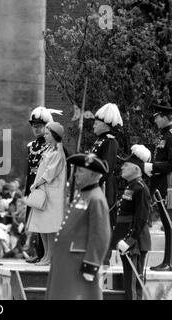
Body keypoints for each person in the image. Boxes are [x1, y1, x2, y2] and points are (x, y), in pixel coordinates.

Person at [46, 153, 111, 300]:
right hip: (66, 260)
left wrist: (91, 263)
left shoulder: (96, 198)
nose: (76, 175)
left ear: (93, 174)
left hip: (78, 263)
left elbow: (101, 235)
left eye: (80, 171)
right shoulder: (83, 195)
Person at [145, 103, 172, 271]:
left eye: (157, 116)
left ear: (166, 117)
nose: (155, 119)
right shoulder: (164, 136)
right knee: (167, 224)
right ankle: (167, 260)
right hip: (162, 186)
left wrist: (153, 167)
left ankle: (171, 262)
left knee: (170, 224)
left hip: (169, 188)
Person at [113, 145, 152, 300]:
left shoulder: (141, 188)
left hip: (134, 242)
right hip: (127, 241)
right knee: (130, 282)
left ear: (136, 169)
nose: (122, 167)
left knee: (133, 284)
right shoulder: (132, 186)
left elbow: (141, 219)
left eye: (126, 165)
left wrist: (129, 241)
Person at [24, 106, 62, 263]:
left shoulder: (52, 146)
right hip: (34, 184)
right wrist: (28, 188)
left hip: (46, 186)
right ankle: (40, 253)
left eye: (39, 126)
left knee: (46, 222)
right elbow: (29, 169)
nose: (36, 129)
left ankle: (46, 255)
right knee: (36, 222)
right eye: (34, 126)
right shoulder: (31, 146)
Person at [91, 103, 123, 265]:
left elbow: (107, 168)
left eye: (96, 123)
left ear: (104, 124)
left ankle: (105, 257)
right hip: (95, 185)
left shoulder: (109, 142)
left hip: (103, 187)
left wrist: (94, 183)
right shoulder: (100, 141)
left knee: (105, 223)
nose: (94, 125)